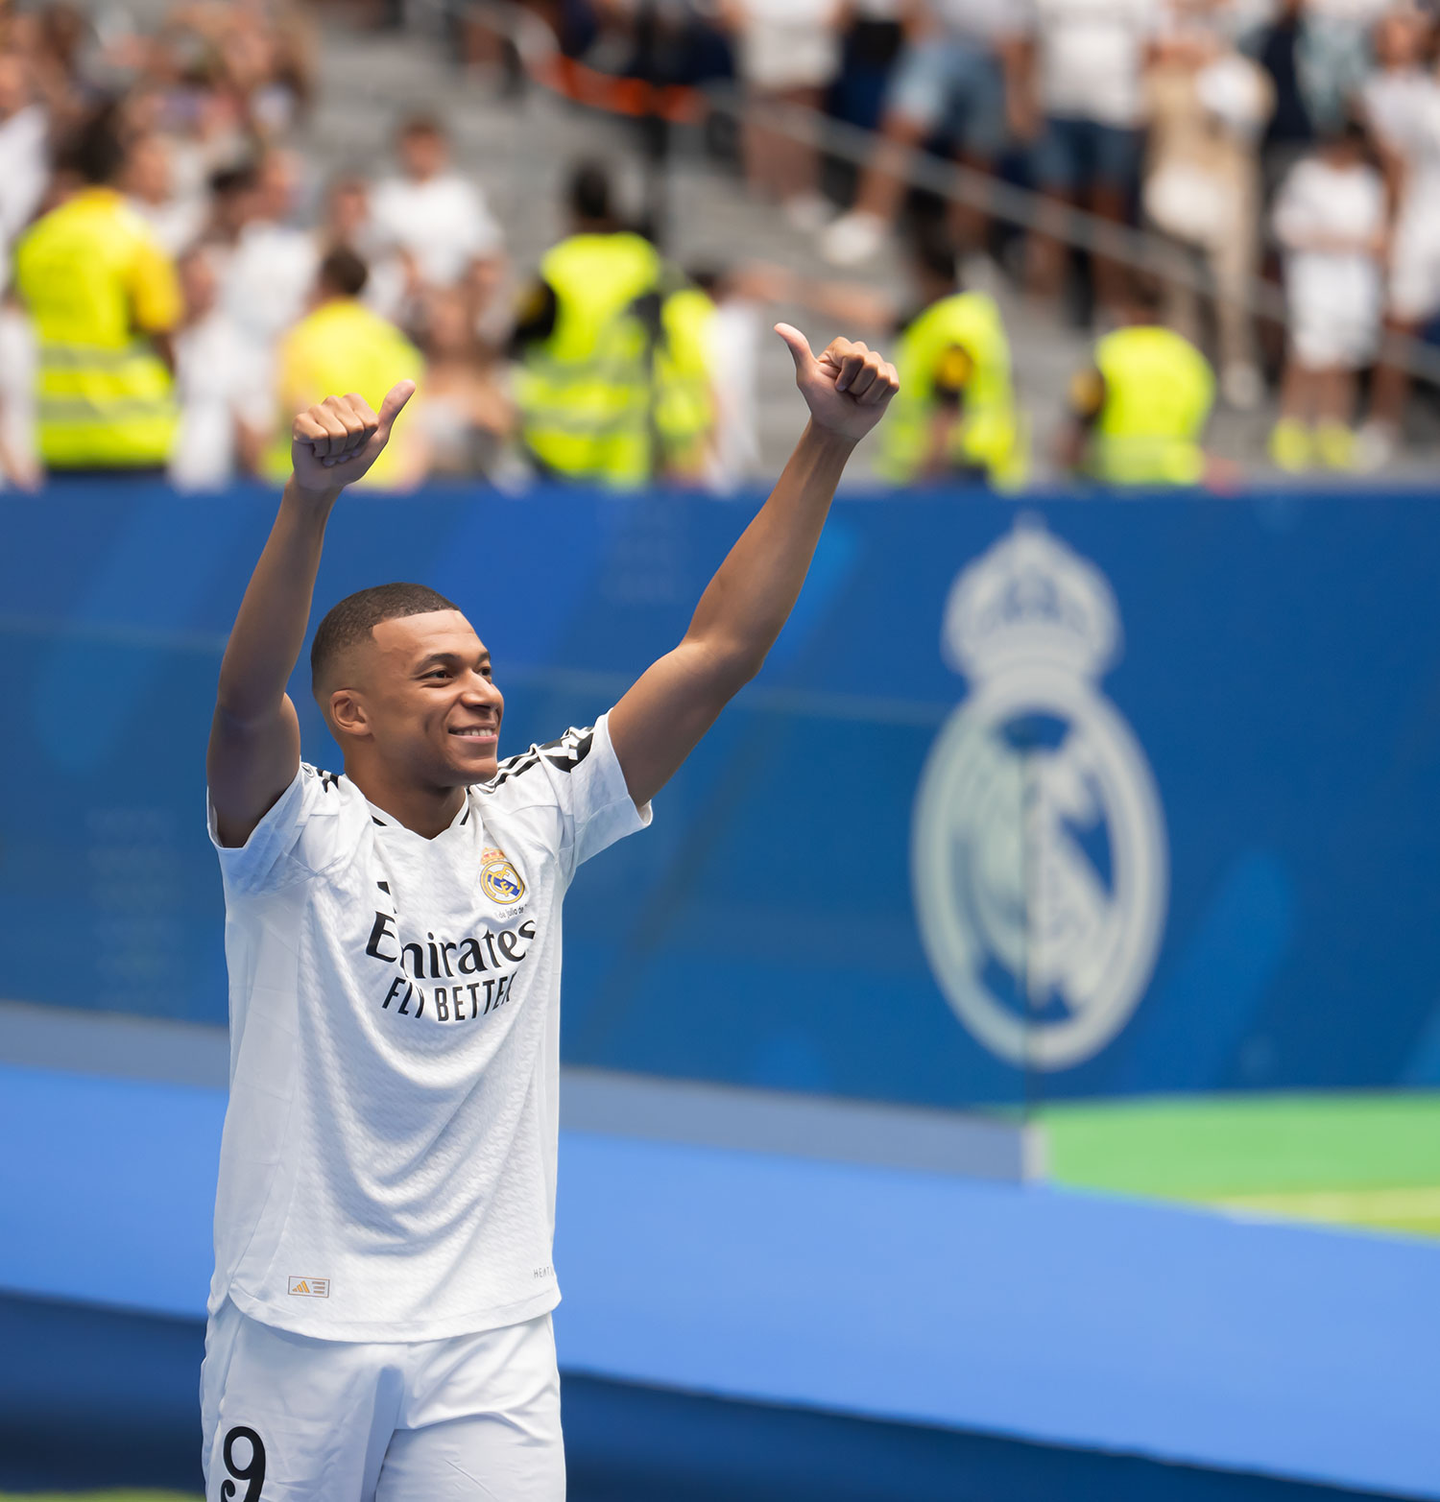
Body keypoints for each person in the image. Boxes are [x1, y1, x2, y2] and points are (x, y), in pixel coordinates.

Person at [199, 327, 898, 1498]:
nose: (481, 690)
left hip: (491, 1334)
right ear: (349, 713)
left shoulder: (539, 810)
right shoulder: (291, 833)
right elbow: (240, 703)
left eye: (482, 665)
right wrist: (309, 503)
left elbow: (717, 651)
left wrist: (825, 443)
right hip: (300, 1325)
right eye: (440, 674)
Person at [510, 160, 714, 486]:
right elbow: (682, 342)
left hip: (556, 448)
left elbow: (516, 342)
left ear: (570, 208)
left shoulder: (556, 269)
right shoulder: (645, 264)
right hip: (626, 449)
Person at [13, 104, 182, 475]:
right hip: (134, 430)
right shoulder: (137, 238)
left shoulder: (37, 242)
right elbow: (162, 332)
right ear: (122, 170)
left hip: (59, 433)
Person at [822, 0, 1020, 269]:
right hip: (939, 41)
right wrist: (917, 28)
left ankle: (964, 251)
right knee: (902, 129)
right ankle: (870, 220)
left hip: (999, 61)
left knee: (980, 156)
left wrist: (1017, 88)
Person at [1269, 119, 1386, 472]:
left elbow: (1378, 236)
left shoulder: (1368, 181)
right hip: (1314, 280)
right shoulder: (1306, 177)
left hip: (1355, 284)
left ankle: (1332, 429)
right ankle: (1291, 428)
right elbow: (1286, 226)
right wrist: (1337, 240)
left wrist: (1352, 242)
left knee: (1343, 360)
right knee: (1307, 357)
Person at [265, 247, 426, 489]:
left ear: (324, 283)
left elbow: (297, 409)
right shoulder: (394, 341)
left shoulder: (302, 337)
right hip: (383, 484)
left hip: (310, 486)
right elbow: (413, 426)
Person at [1059, 279, 1219, 486]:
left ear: (1127, 310)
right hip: (1173, 475)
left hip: (1114, 474)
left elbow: (1083, 413)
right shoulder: (1189, 359)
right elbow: (1202, 418)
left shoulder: (1109, 354)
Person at [369, 114, 505, 322]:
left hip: (449, 301)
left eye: (427, 147)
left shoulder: (462, 196)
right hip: (396, 305)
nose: (420, 155)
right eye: (414, 147)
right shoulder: (385, 196)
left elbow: (484, 250)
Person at [169, 245, 269, 492]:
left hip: (216, 483)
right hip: (158, 480)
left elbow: (251, 423)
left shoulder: (234, 346)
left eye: (208, 287)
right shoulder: (160, 340)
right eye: (193, 285)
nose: (201, 294)